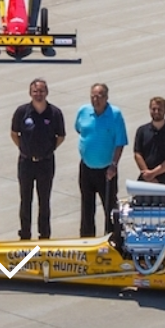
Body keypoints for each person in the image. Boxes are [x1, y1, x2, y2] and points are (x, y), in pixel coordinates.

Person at [11, 78, 66, 241]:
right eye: (35, 91)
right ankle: (25, 233)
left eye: (41, 91)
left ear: (47, 92)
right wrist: (24, 148)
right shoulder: (22, 112)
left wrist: (48, 150)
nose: (38, 94)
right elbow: (14, 134)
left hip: (46, 163)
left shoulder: (54, 113)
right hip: (26, 162)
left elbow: (61, 136)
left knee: (44, 200)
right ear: (30, 93)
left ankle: (44, 234)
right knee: (25, 199)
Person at [73, 83, 128, 237]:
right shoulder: (83, 111)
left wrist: (114, 165)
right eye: (93, 96)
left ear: (107, 97)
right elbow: (79, 129)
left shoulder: (115, 115)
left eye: (100, 96)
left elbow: (120, 142)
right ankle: (86, 238)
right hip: (86, 167)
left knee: (110, 207)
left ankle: (113, 237)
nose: (96, 100)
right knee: (86, 206)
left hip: (107, 170)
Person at [133, 96, 165, 190]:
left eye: (159, 109)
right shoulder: (142, 131)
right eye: (153, 109)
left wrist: (153, 173)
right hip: (145, 181)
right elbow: (137, 154)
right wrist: (147, 174)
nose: (156, 112)